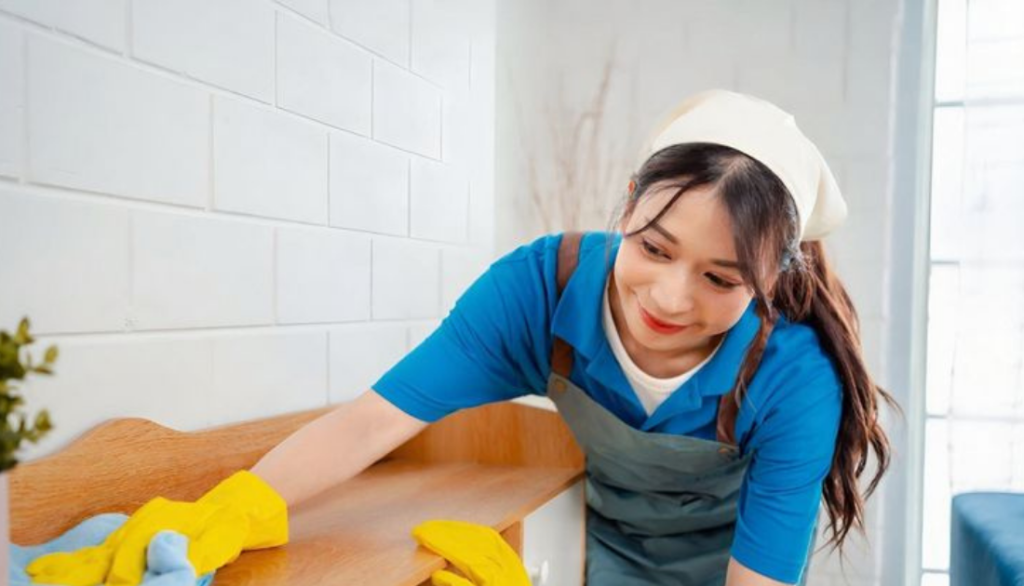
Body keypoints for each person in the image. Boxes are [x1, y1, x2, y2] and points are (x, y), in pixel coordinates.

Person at [29, 89, 898, 586]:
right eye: (654, 248)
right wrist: (230, 510)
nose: (669, 298)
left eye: (720, 279)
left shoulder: (793, 378)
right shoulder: (540, 290)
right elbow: (369, 424)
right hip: (602, 552)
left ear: (770, 279)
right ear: (628, 200)